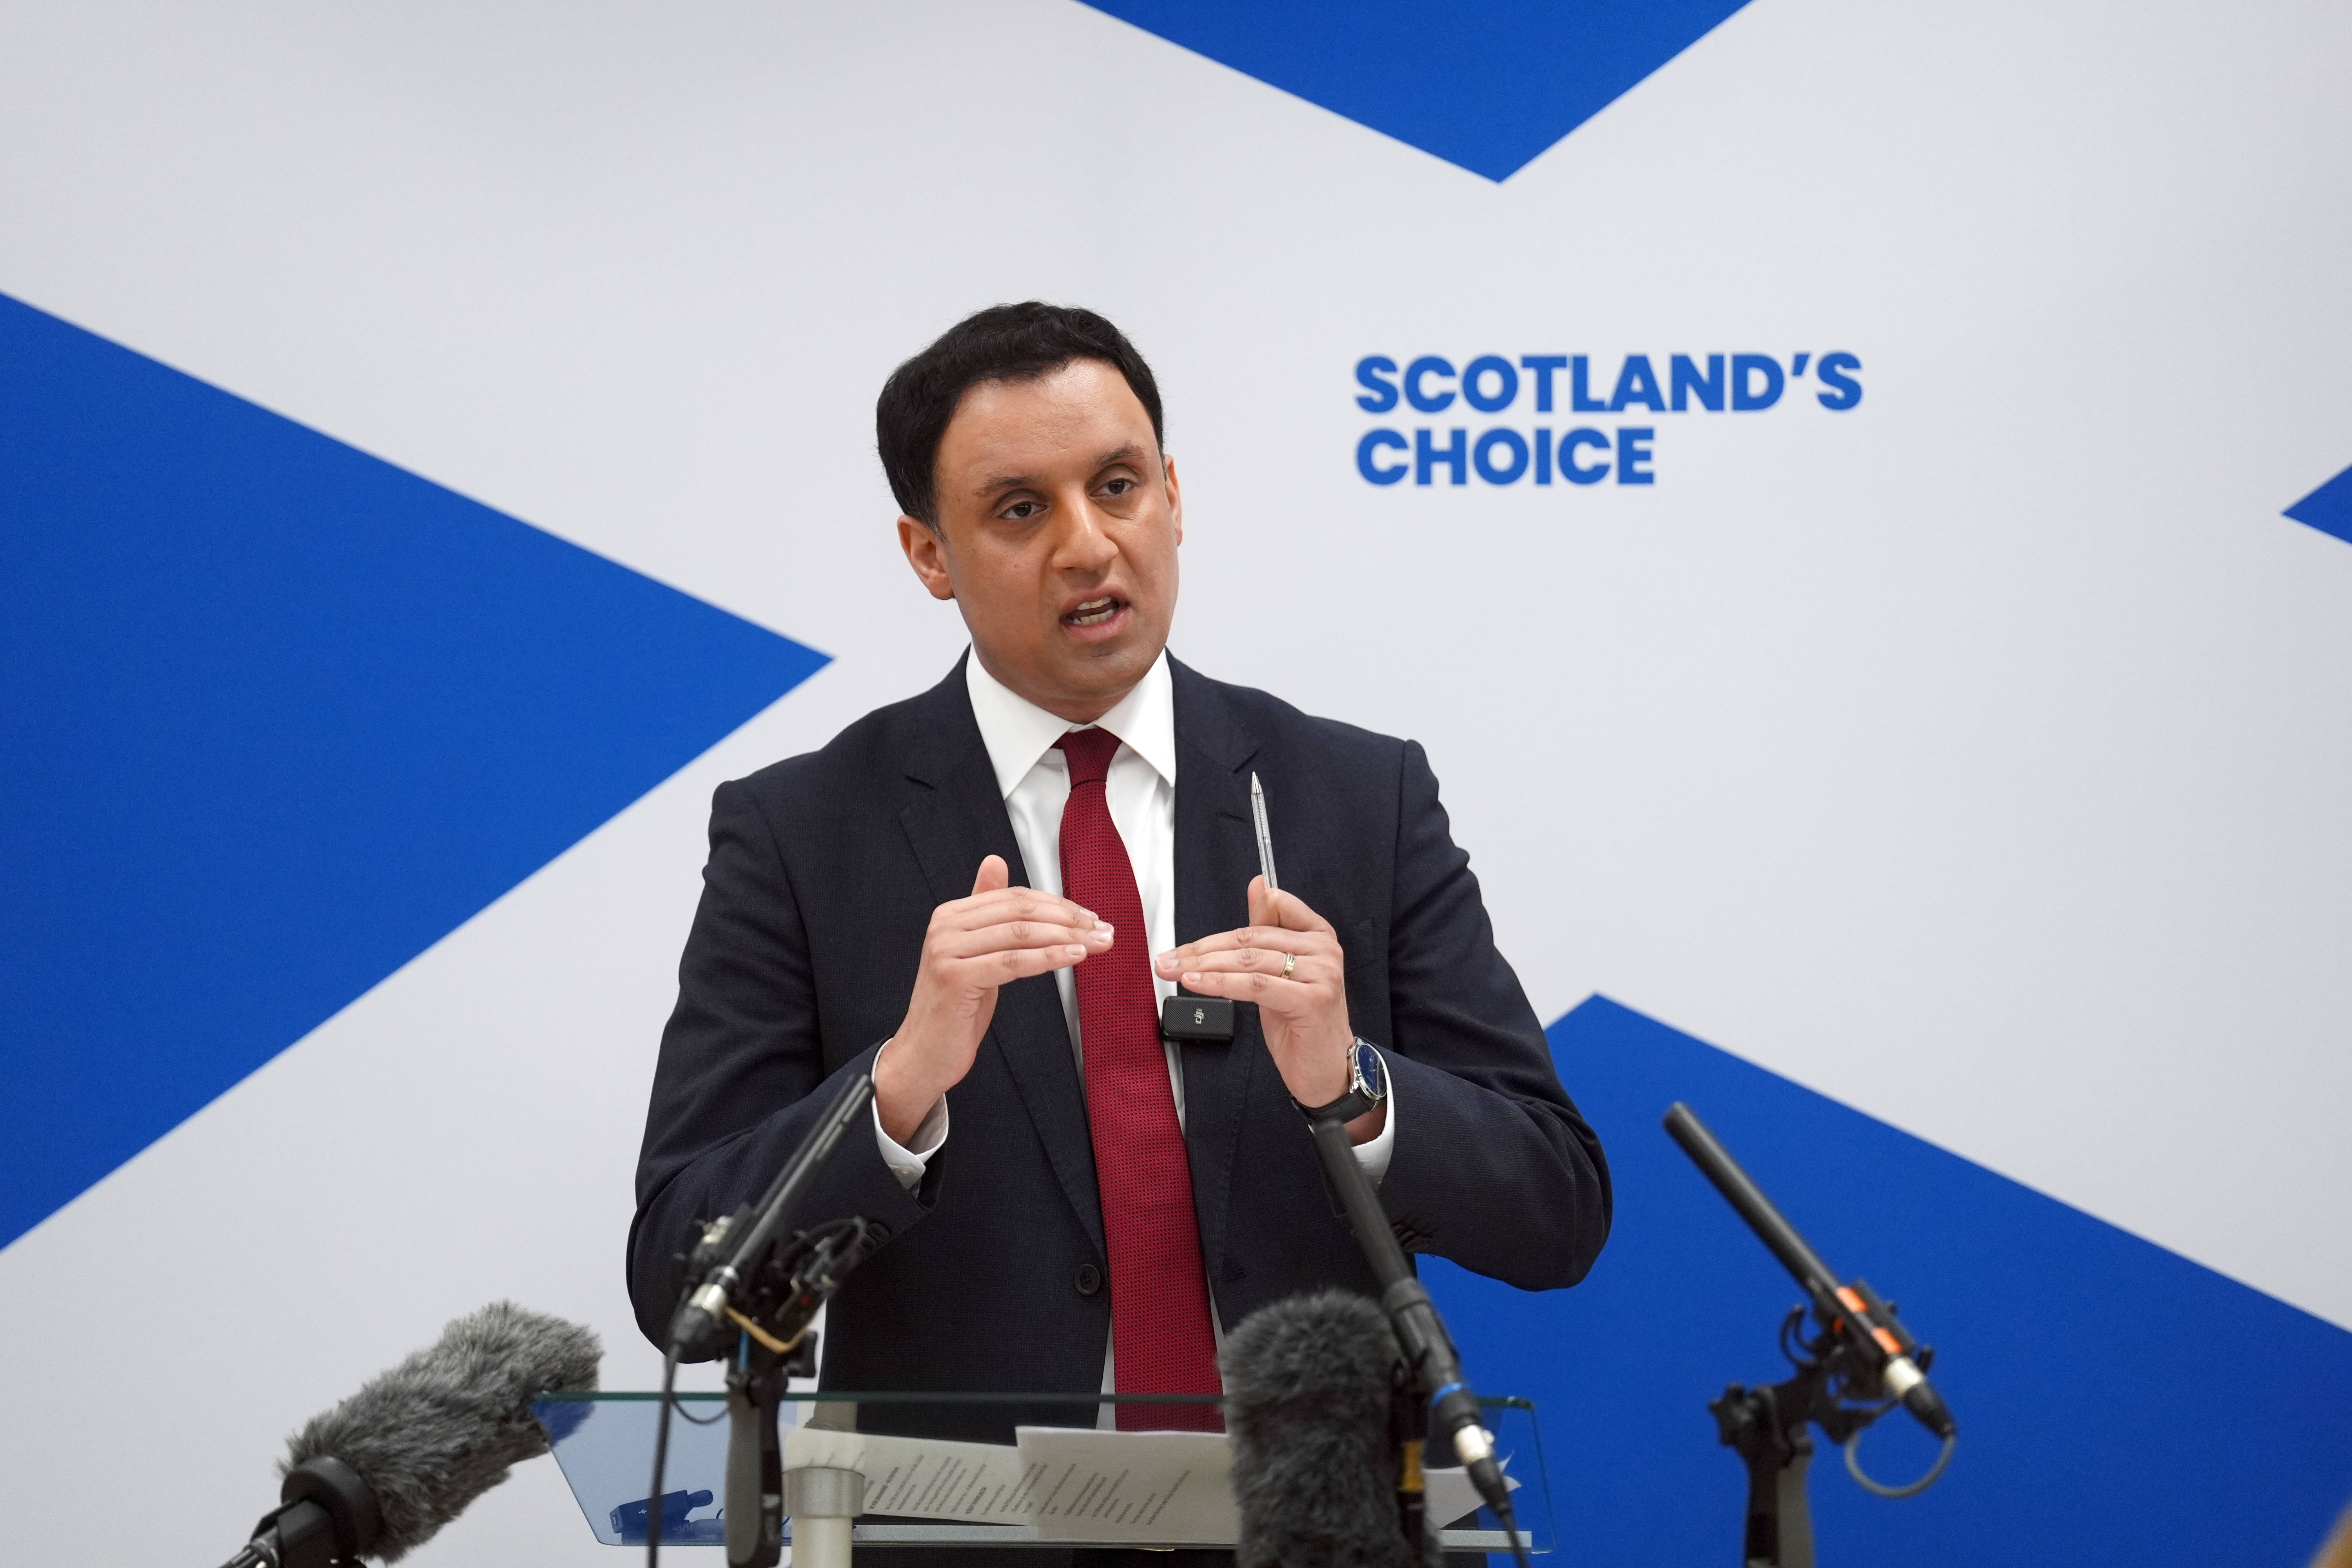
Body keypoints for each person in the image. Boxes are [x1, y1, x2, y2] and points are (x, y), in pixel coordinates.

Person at [628, 303, 1611, 1457]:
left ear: (1175, 497)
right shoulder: (802, 832)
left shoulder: (1356, 797)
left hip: (1315, 1515)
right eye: (1020, 509)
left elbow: (1558, 1212)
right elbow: (677, 1281)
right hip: (968, 1530)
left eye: (1118, 486)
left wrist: (1352, 1086)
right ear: (929, 554)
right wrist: (894, 1093)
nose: (1089, 546)